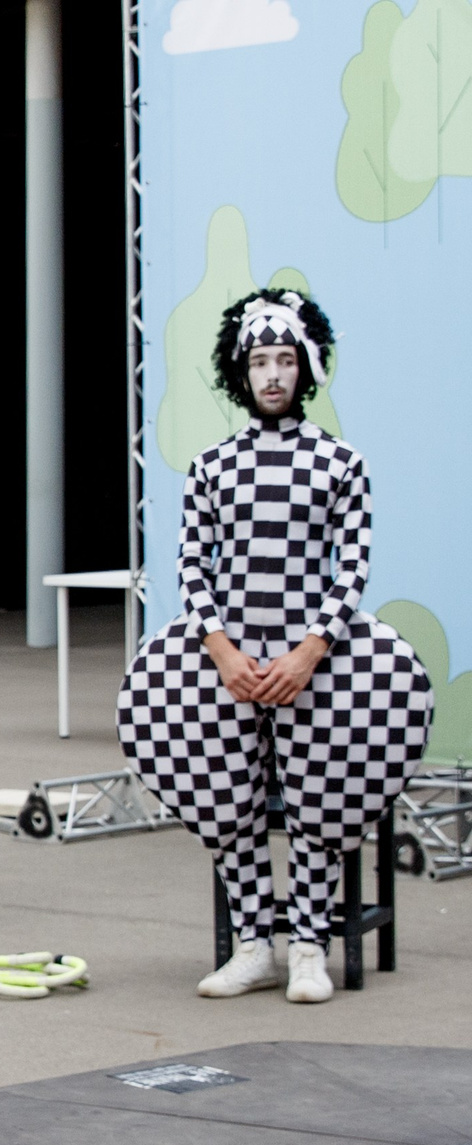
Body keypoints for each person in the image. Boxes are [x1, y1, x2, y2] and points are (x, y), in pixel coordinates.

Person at [118, 290, 432, 1004]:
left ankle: (310, 949)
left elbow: (351, 564)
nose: (272, 375)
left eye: (285, 360)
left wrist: (310, 649)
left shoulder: (341, 462)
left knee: (321, 801)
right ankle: (255, 943)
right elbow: (192, 564)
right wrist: (222, 651)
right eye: (260, 360)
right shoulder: (211, 466)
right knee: (227, 798)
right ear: (240, 369)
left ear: (306, 367)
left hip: (314, 659)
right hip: (224, 662)